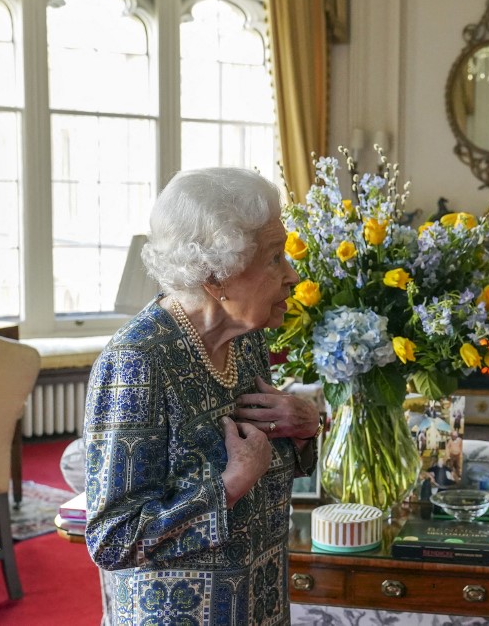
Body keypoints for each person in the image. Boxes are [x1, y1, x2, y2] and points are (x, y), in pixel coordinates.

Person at [83, 167, 321, 626]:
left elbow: (266, 458)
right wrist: (231, 484)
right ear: (217, 276)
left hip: (261, 603)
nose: (291, 275)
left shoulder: (246, 337)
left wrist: (305, 427)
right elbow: (113, 540)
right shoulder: (138, 363)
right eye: (275, 258)